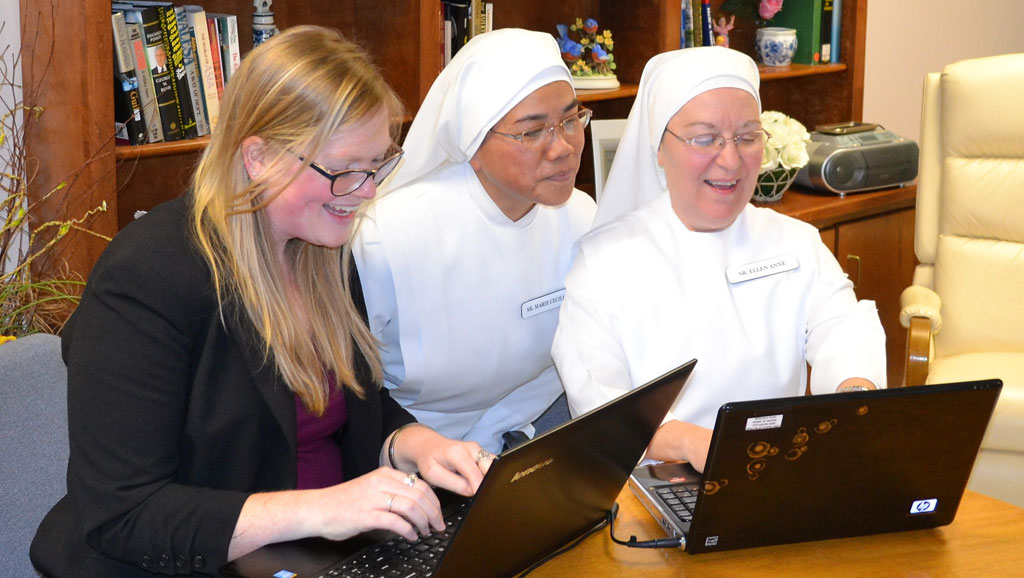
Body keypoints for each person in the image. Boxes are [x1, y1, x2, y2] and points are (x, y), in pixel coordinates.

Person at [30, 26, 492, 577]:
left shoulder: (321, 250)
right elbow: (125, 513)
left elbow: (344, 409)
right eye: (344, 170)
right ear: (258, 157)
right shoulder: (147, 277)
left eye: (377, 166)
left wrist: (415, 445)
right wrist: (325, 507)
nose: (366, 192)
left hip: (317, 555)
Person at [551, 46, 886, 473]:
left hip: (776, 473)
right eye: (705, 138)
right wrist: (692, 442)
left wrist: (851, 389)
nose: (730, 160)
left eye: (747, 137)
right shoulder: (605, 264)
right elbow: (601, 410)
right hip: (653, 487)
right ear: (659, 147)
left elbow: (842, 327)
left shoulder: (795, 243)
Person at [351, 29, 596, 454]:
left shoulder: (581, 216)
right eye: (533, 131)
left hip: (535, 427)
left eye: (571, 120)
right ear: (474, 143)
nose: (563, 147)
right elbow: (350, 395)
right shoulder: (383, 239)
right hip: (414, 448)